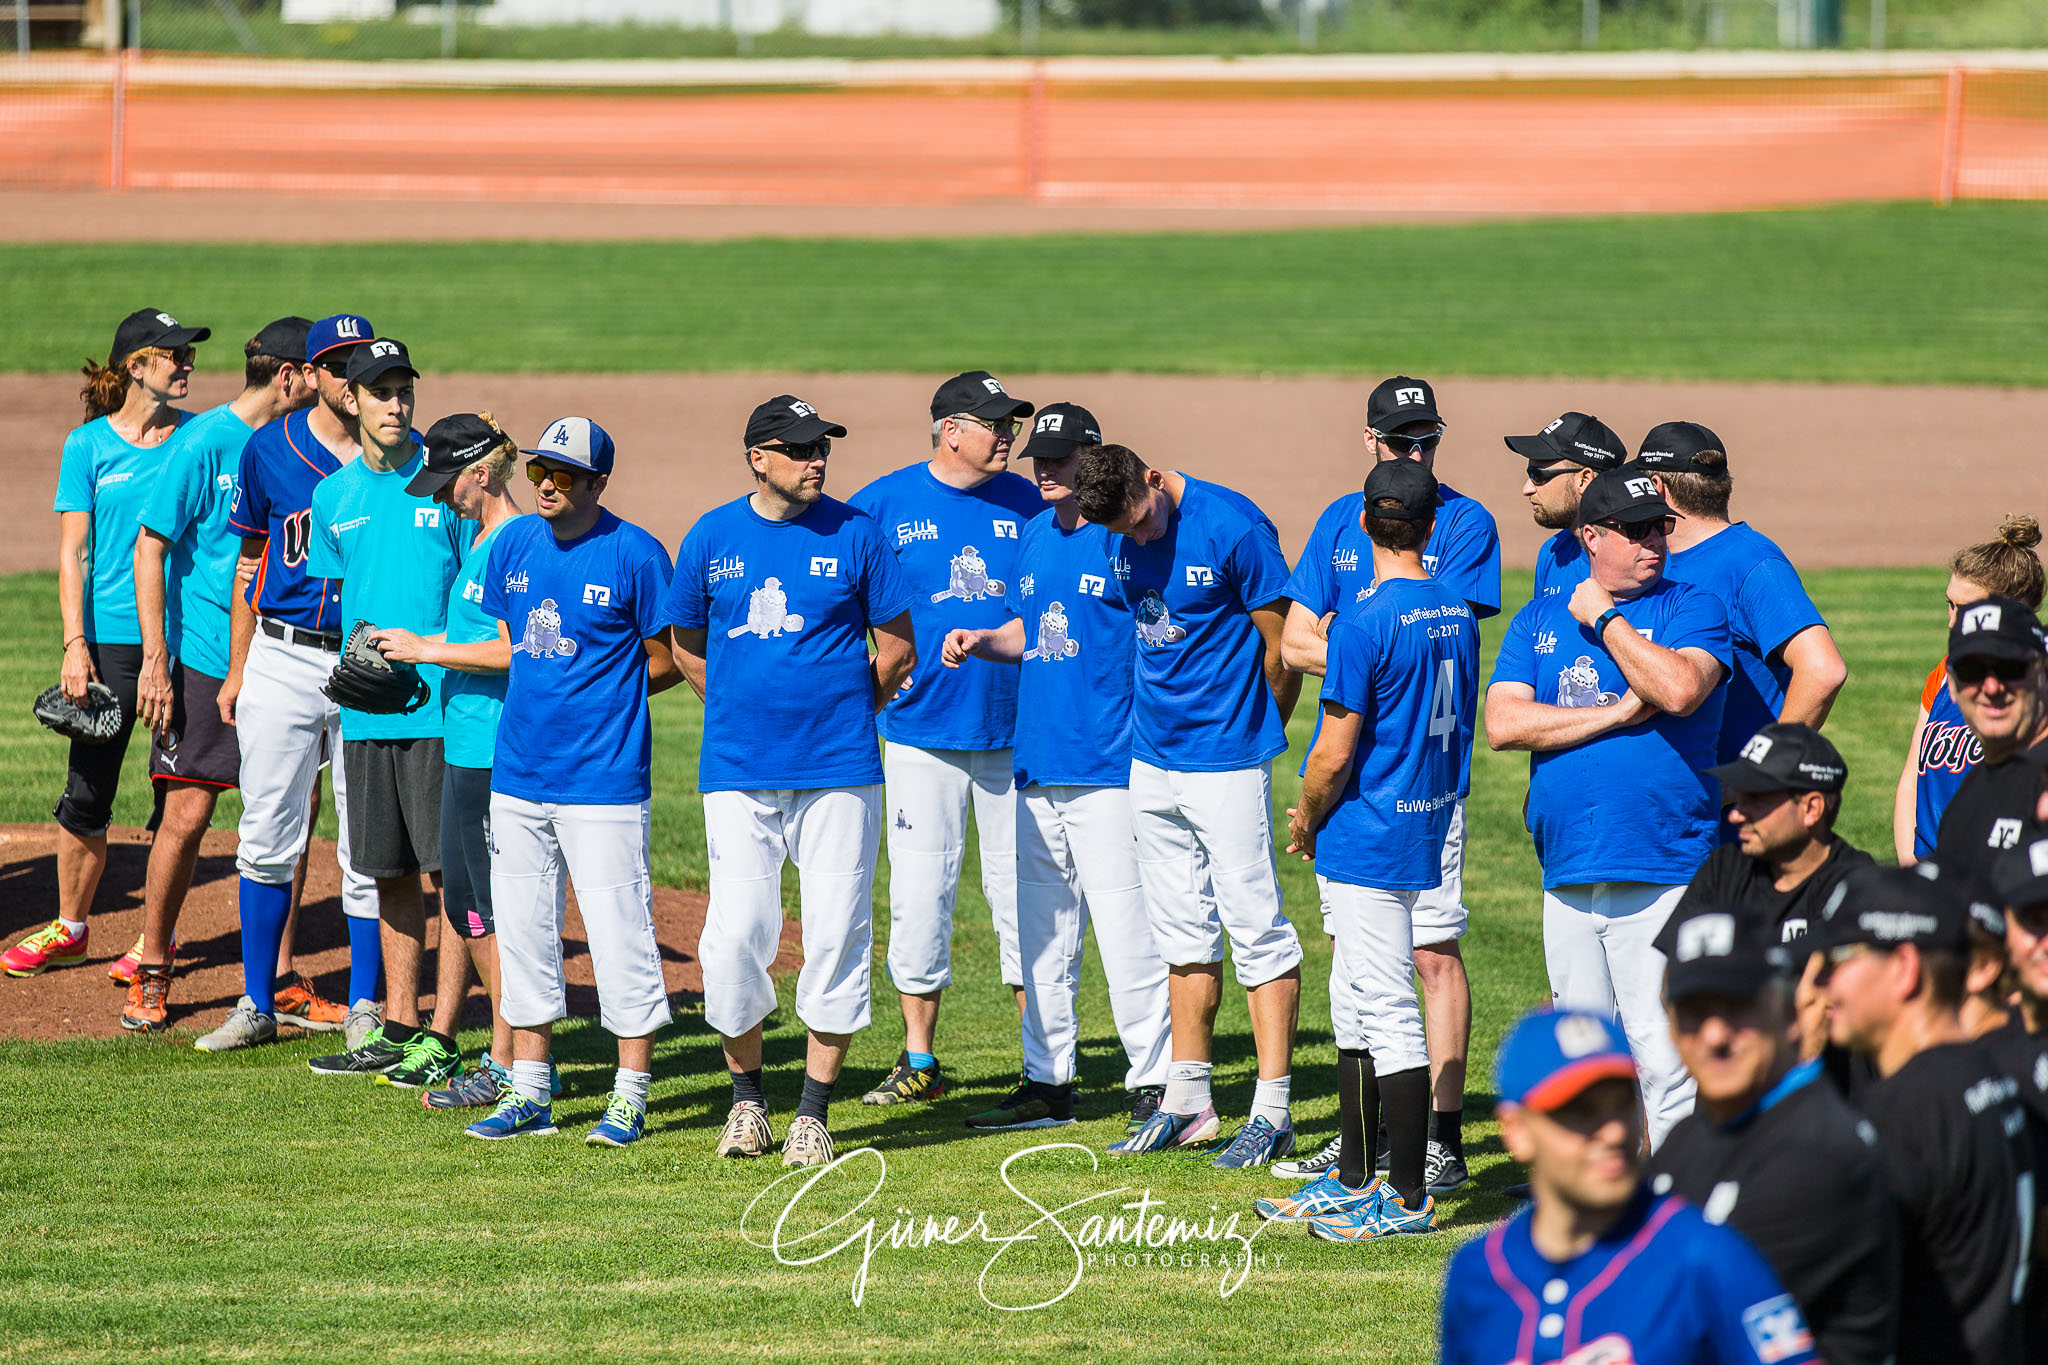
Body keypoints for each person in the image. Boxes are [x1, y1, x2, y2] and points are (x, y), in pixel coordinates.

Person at [669, 396, 916, 1168]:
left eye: (823, 449)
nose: (818, 460)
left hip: (840, 769)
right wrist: (741, 705)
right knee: (733, 937)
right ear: (759, 457)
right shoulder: (712, 536)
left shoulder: (857, 533)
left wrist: (846, 707)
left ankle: (812, 1111)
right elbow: (685, 643)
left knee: (837, 933)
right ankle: (748, 1103)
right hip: (739, 771)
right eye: (802, 448)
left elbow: (900, 647)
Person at [1275, 376, 1500, 1190]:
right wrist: (1356, 645)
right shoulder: (1346, 520)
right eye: (1402, 441)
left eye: (1427, 441)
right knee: (1359, 964)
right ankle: (1360, 1148)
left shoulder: (1467, 520)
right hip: (1375, 785)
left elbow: (1331, 645)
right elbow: (1297, 634)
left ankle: (1432, 1146)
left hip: (1401, 788)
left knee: (1428, 956)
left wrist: (1352, 638)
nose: (1416, 454)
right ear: (1371, 440)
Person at [939, 404, 1173, 1135]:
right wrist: (982, 637)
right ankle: (1047, 1082)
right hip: (1036, 766)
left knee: (1126, 932)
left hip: (1108, 769)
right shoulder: (1034, 539)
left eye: (1061, 458)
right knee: (1040, 936)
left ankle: (1157, 1083)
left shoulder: (1121, 543)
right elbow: (1027, 627)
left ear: (1094, 458)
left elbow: (1161, 637)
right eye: (1039, 457)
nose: (1044, 468)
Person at [1073, 443, 1305, 1168]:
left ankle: (1273, 1110)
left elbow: (1284, 645)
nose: (1138, 539)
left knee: (1256, 928)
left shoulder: (1233, 526)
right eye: (1125, 532)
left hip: (1227, 760)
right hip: (1153, 761)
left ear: (1153, 477)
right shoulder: (1116, 530)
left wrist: (1256, 730)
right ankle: (1189, 1101)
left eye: (1142, 522)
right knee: (1180, 933)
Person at [1486, 468, 1731, 1146]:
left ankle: (1679, 1206)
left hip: (1663, 868)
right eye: (1635, 529)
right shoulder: (1536, 619)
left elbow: (1679, 689)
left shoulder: (1693, 607)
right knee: (1586, 1059)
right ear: (1590, 536)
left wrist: (1605, 617)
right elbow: (1503, 724)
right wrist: (1618, 712)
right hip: (1567, 871)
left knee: (1665, 1058)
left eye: (1659, 526)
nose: (1653, 540)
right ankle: (1601, 1207)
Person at [465, 417, 682, 1147]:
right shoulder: (515, 545)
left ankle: (629, 1094)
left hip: (605, 782)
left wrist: (610, 697)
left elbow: (671, 656)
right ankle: (530, 1090)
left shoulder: (635, 554)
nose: (547, 484)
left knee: (622, 934)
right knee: (524, 932)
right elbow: (513, 644)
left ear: (596, 483)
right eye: (538, 473)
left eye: (562, 474)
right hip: (519, 773)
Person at [846, 372, 1042, 1107]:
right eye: (995, 424)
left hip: (1016, 736)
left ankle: (1042, 1062)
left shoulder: (1031, 504)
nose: (1009, 437)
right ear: (950, 429)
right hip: (920, 734)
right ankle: (919, 1057)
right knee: (921, 893)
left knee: (1023, 897)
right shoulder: (882, 505)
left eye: (1011, 425)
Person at [117, 318, 317, 1032]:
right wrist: (155, 662)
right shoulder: (205, 442)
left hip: (284, 657)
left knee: (296, 815)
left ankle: (282, 975)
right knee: (189, 812)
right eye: (320, 372)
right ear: (291, 377)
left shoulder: (304, 448)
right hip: (203, 658)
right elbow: (150, 547)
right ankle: (152, 965)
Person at [194, 313, 384, 1053]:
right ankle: (256, 1001)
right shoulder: (268, 450)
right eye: (334, 365)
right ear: (309, 375)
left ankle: (367, 1003)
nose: (347, 377)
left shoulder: (402, 457)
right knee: (267, 828)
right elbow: (249, 566)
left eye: (358, 364)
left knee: (366, 838)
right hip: (284, 655)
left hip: (371, 659)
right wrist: (239, 666)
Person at [1438, 1007, 1819, 1365]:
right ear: (1516, 1131)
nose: (1615, 1131)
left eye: (1622, 1103)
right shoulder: (1477, 1273)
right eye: (1581, 1112)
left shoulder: (1706, 1258)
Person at [6, 309, 204, 980]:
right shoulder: (87, 446)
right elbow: (73, 555)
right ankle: (72, 926)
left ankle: (162, 936)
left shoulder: (200, 438)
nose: (186, 363)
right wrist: (74, 642)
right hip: (112, 642)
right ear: (135, 367)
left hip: (184, 641)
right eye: (173, 353)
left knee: (175, 794)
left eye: (188, 354)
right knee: (87, 790)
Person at [300, 339, 466, 1084]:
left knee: (448, 876)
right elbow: (342, 603)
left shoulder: (446, 482)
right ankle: (399, 1025)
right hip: (369, 717)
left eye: (405, 390)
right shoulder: (333, 498)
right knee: (388, 871)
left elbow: (482, 592)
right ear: (353, 401)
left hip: (442, 716)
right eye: (381, 391)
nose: (396, 404)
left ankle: (446, 1031)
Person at [1647, 899, 1898, 1365]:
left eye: (1738, 1008)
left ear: (1790, 1016)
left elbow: (1664, 1316)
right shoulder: (1689, 1138)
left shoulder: (1820, 1153)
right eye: (1694, 1013)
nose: (1716, 1036)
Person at [1814, 862, 2035, 1365]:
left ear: (1905, 968)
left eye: (1841, 957)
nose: (1824, 982)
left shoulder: (1905, 1113)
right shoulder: (1988, 1072)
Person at [368, 413, 526, 1106]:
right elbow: (472, 634)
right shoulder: (485, 541)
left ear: (480, 476)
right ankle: (506, 1054)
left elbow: (514, 651)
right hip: (466, 747)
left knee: (485, 910)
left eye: (447, 483)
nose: (439, 497)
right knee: (468, 907)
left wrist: (428, 651)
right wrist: (416, 641)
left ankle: (510, 1060)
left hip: (492, 750)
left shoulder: (512, 545)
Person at [1634, 422, 1847, 779]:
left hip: (1730, 815)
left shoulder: (1750, 562)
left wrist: (1763, 773)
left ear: (1657, 487)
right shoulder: (1653, 558)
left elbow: (1823, 670)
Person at [1899, 517, 2045, 863]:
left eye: (1966, 610)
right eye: (1950, 605)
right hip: (1936, 879)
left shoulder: (2035, 683)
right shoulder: (1947, 674)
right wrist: (1913, 872)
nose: (1952, 621)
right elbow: (1911, 781)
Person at [1681, 723, 1875, 944]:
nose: (1735, 816)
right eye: (1740, 798)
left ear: (1811, 809)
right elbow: (1678, 971)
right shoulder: (1723, 869)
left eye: (1756, 800)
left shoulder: (1860, 888)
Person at [1933, 594, 2048, 886]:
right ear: (1953, 685)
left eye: (2010, 668)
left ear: (2041, 671)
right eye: (1972, 671)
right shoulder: (1964, 805)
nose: (1992, 687)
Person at [1503, 410, 1629, 602]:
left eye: (1537, 476)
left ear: (1584, 479)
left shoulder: (1645, 558)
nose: (1526, 489)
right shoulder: (1553, 553)